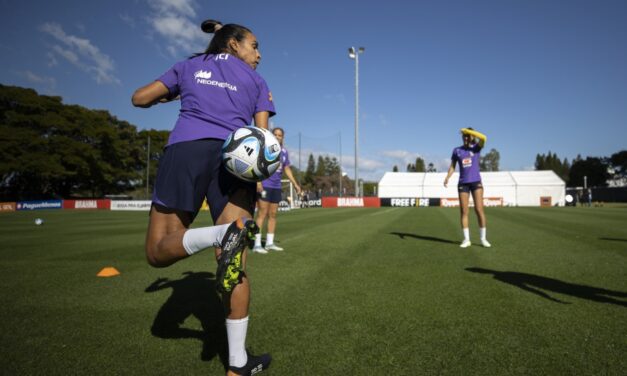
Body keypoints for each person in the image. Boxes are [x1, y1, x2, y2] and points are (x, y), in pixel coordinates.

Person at [131, 19, 273, 376]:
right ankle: (238, 364)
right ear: (233, 44)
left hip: (186, 150)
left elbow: (139, 98)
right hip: (234, 164)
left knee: (157, 252)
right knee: (235, 263)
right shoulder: (257, 81)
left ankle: (216, 236)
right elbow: (261, 137)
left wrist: (179, 91)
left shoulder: (189, 65)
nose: (258, 54)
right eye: (254, 45)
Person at [252, 127, 301, 253]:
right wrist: (258, 182)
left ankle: (269, 243)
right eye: (276, 134)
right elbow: (256, 164)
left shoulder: (284, 152)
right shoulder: (265, 148)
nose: (278, 137)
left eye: (280, 135)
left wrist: (295, 184)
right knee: (262, 213)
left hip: (276, 186)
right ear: (272, 135)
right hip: (265, 184)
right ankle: (257, 244)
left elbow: (287, 169)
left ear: (283, 137)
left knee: (273, 215)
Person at [443, 128, 491, 248]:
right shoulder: (456, 150)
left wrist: (470, 132)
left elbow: (484, 138)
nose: (466, 138)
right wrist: (447, 177)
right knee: (464, 211)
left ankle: (483, 239)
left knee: (479, 210)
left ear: (473, 137)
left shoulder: (476, 147)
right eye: (464, 136)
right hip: (463, 183)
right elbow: (453, 166)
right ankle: (466, 240)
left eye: (468, 136)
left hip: (476, 182)